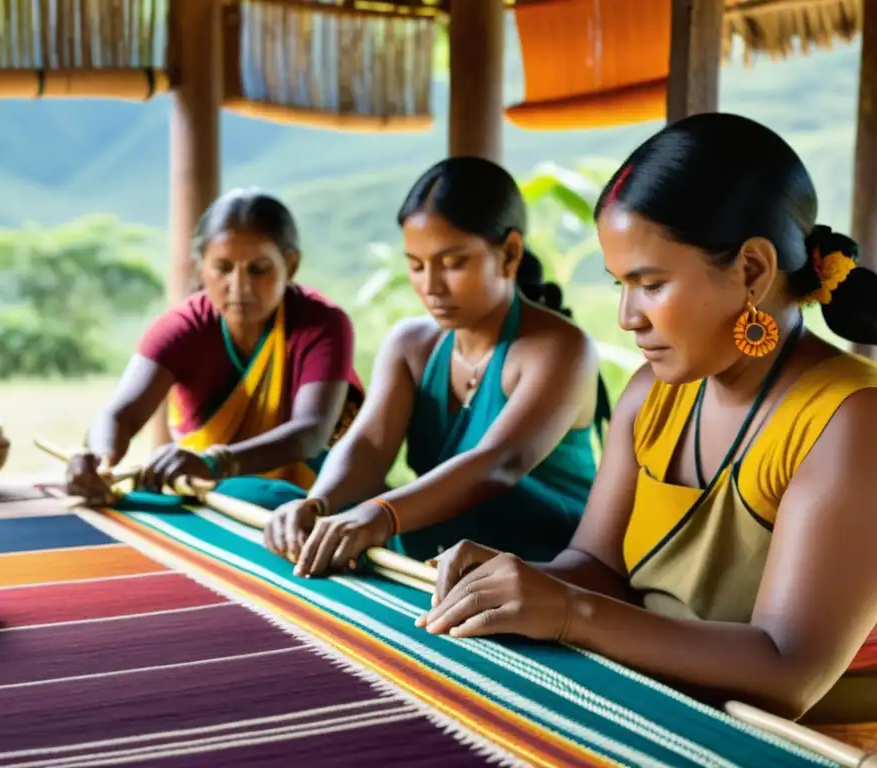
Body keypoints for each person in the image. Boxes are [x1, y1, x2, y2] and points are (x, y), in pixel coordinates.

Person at [418, 113, 877, 743]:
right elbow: (597, 566)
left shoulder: (849, 420)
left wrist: (569, 611)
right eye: (620, 285)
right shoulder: (654, 394)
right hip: (649, 702)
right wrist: (512, 578)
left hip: (792, 744)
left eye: (651, 283)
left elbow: (787, 672)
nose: (629, 317)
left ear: (750, 270)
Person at [264, 156, 610, 575]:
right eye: (416, 265)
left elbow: (498, 463)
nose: (430, 286)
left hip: (545, 570)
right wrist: (318, 502)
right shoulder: (411, 345)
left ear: (510, 253)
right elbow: (371, 447)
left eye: (453, 263)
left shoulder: (559, 349)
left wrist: (382, 515)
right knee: (266, 499)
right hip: (442, 560)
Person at [66, 188, 364, 507]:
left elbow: (311, 433)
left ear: (290, 265)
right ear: (201, 267)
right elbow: (119, 414)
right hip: (216, 500)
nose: (239, 286)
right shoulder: (182, 328)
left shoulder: (321, 324)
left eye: (258, 269)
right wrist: (99, 461)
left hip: (320, 503)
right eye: (223, 268)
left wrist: (216, 464)